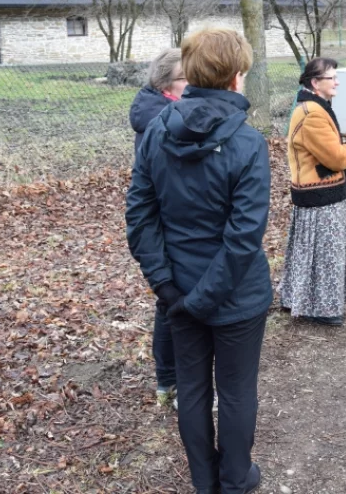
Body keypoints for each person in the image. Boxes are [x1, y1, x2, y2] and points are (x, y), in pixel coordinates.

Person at [126, 28, 271, 493]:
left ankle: (210, 483)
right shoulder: (248, 144)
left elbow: (140, 216)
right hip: (229, 296)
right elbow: (243, 237)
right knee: (234, 390)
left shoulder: (156, 132)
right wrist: (177, 292)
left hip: (184, 294)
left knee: (192, 389)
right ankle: (233, 482)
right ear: (236, 77)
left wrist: (172, 291)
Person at [279, 57, 346, 327]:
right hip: (320, 197)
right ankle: (323, 309)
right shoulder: (313, 113)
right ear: (315, 83)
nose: (337, 81)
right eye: (332, 77)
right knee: (326, 255)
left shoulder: (312, 108)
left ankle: (297, 298)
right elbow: (337, 158)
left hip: (317, 194)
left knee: (309, 252)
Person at [128, 47, 184, 408]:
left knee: (170, 304)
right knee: (170, 302)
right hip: (166, 223)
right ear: (167, 84)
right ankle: (170, 381)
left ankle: (170, 380)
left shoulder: (162, 110)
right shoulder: (161, 118)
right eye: (186, 79)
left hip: (169, 220)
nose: (193, 85)